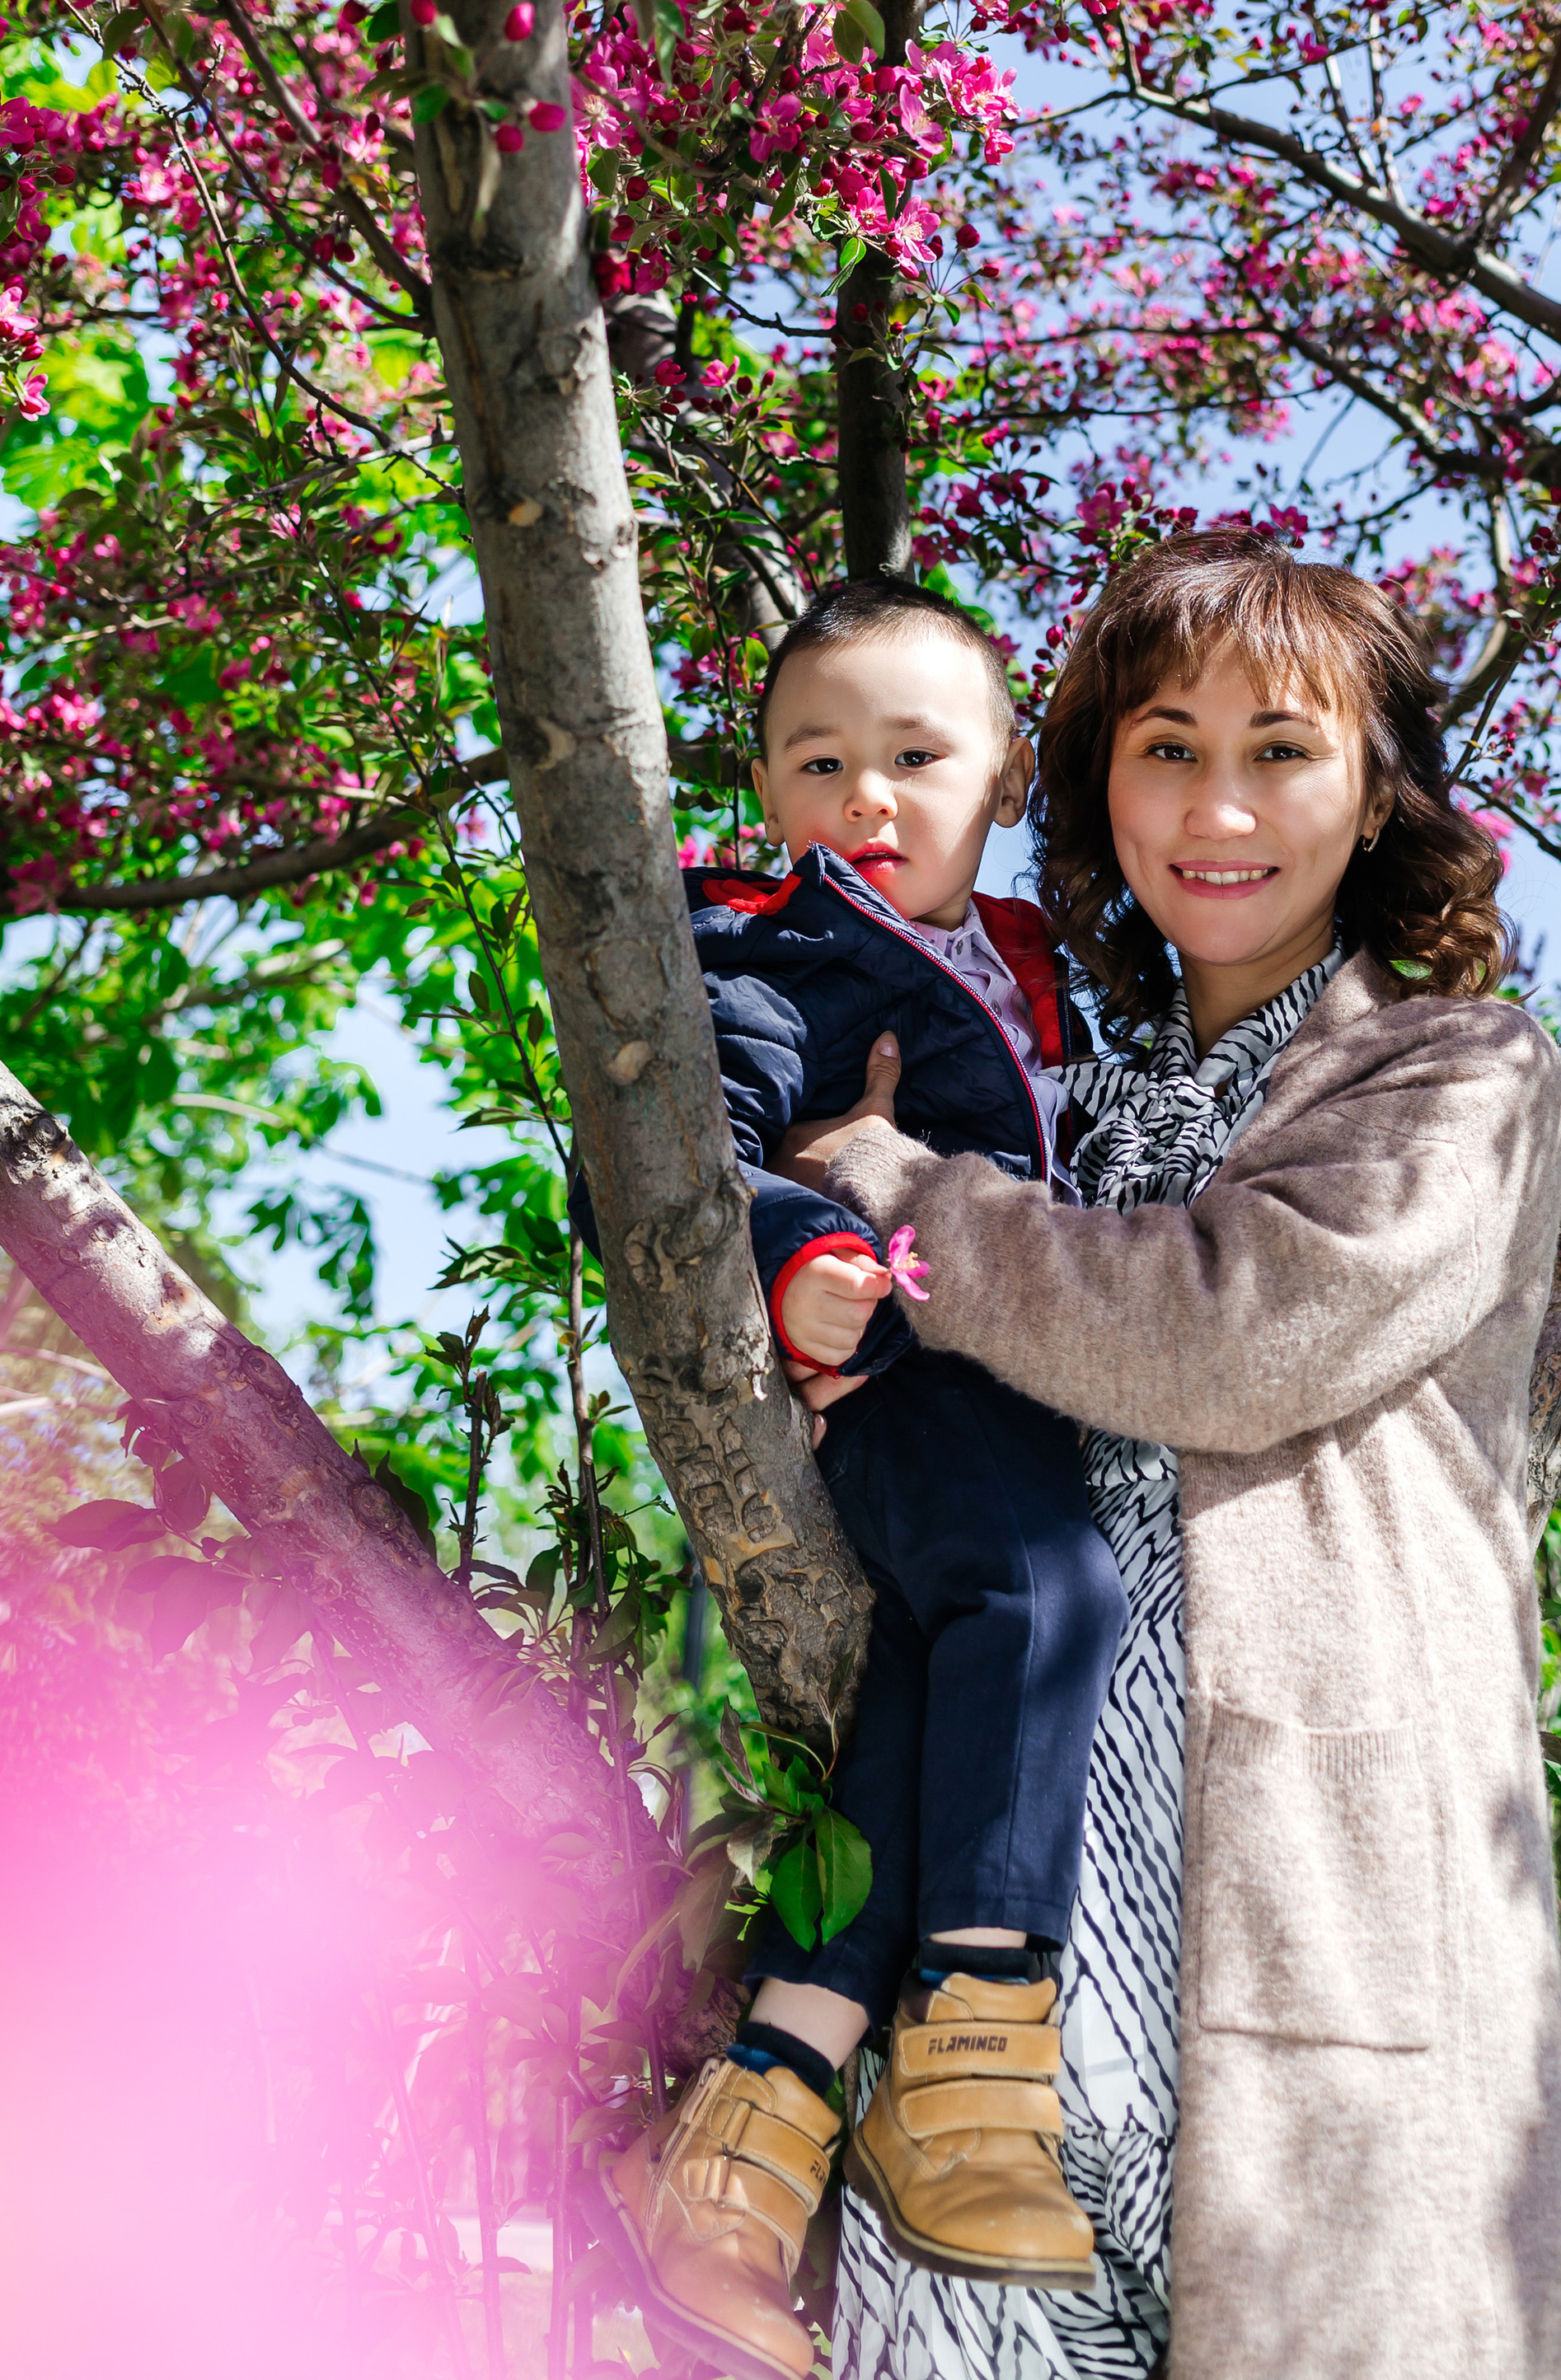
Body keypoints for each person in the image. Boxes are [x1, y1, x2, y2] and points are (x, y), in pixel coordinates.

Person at [793, 530, 1561, 2380]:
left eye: (1279, 749)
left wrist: (910, 1206)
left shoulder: (1449, 1077)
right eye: (1164, 746)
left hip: (1306, 1906)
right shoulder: (1049, 1083)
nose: (1215, 805)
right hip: (1008, 1906)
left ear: (1376, 788)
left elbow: (1235, 1333)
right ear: (1090, 783)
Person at [607, 579, 1131, 2380]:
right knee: (1047, 1596)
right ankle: (975, 2070)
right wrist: (786, 1262)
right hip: (905, 1370)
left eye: (917, 756)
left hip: (1021, 1376)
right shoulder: (769, 945)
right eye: (817, 761)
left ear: (1001, 773)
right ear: (759, 783)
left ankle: (749, 2140)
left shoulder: (1037, 956)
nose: (865, 798)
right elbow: (698, 1152)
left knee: (913, 1728)